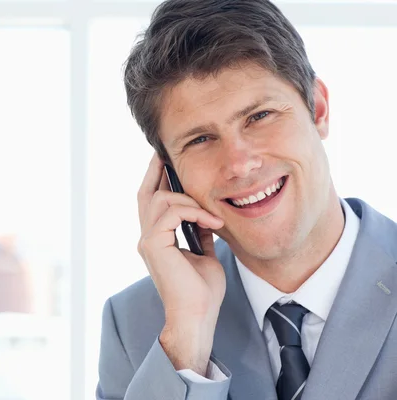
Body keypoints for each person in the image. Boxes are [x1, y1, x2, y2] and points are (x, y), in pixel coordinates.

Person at [95, 1, 397, 399]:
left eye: (260, 116)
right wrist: (187, 344)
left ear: (318, 109)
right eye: (200, 140)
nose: (240, 164)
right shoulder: (135, 325)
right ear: (169, 175)